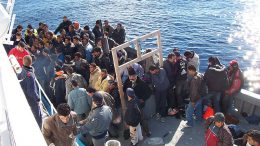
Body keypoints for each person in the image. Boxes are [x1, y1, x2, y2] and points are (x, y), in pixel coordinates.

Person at [123, 67, 152, 136]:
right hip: (130, 104)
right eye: (130, 76)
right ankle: (133, 133)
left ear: (136, 75)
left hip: (139, 105)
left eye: (133, 76)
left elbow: (149, 92)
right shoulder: (127, 82)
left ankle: (147, 131)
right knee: (132, 119)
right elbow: (124, 89)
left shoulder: (142, 83)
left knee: (142, 118)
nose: (132, 77)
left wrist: (143, 99)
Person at [18, 55, 42, 128]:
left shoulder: (22, 71)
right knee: (38, 115)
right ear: (31, 63)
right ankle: (39, 129)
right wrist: (37, 99)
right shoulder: (30, 75)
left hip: (24, 95)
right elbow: (31, 91)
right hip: (31, 99)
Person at [172, 51, 188, 117]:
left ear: (175, 56)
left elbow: (174, 72)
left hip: (179, 81)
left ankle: (181, 108)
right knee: (183, 93)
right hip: (185, 79)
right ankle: (184, 107)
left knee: (178, 94)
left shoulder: (176, 63)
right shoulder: (185, 60)